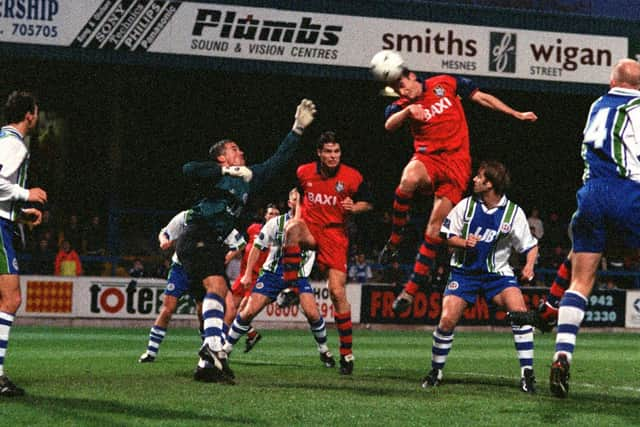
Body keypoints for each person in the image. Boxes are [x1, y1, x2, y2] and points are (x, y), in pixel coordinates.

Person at [376, 57, 538, 314]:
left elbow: (481, 97)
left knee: (434, 229)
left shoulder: (445, 83)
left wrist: (514, 113)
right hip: (429, 158)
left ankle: (411, 290)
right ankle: (395, 240)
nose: (401, 90)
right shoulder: (403, 104)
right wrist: (408, 111)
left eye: (401, 84)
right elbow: (388, 124)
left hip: (457, 167)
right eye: (396, 88)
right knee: (408, 179)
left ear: (412, 75)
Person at [176, 99, 316, 383]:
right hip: (198, 236)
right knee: (217, 288)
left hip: (212, 243)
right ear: (221, 158)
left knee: (211, 303)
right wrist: (226, 172)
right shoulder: (214, 175)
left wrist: (297, 129)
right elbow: (188, 169)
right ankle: (213, 352)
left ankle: (207, 365)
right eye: (234, 149)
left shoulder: (249, 177)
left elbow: (278, 161)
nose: (241, 151)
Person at [548, 58, 640, 398]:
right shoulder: (638, 106)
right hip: (628, 192)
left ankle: (562, 353)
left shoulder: (597, 105)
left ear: (612, 80)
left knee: (580, 280)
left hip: (591, 196)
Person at [422, 160, 538, 393]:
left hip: (497, 275)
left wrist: (529, 266)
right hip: (464, 273)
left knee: (520, 315)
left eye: (478, 177)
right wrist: (463, 243)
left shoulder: (513, 213)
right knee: (446, 320)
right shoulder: (466, 206)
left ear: (489, 184)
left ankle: (527, 374)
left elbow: (530, 246)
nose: (473, 179)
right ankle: (436, 370)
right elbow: (445, 234)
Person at [282, 130, 373, 375]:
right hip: (311, 229)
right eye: (328, 152)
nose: (333, 156)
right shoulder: (304, 172)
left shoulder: (352, 177)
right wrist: (297, 207)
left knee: (336, 292)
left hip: (335, 235)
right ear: (319, 154)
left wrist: (355, 207)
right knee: (291, 227)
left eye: (337, 151)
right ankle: (291, 289)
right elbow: (297, 194)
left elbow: (369, 203)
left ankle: (346, 354)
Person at [224, 188, 335, 369]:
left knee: (313, 314)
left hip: (299, 276)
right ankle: (225, 349)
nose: (299, 202)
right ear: (289, 202)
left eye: (302, 199)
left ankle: (324, 350)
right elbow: (257, 247)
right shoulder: (276, 223)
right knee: (248, 311)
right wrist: (246, 273)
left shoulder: (318, 224)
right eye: (295, 199)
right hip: (273, 274)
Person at [0, 91, 47, 397]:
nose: (38, 116)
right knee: (11, 300)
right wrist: (25, 194)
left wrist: (22, 215)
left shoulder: (3, 138)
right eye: (37, 111)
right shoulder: (14, 144)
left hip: (4, 219)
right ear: (29, 114)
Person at [225, 203, 281, 354]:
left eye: (276, 214)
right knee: (229, 311)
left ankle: (226, 347)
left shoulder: (279, 237)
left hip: (259, 279)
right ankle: (250, 334)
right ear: (265, 215)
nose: (273, 216)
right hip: (243, 276)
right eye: (270, 213)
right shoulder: (253, 229)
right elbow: (243, 245)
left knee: (243, 311)